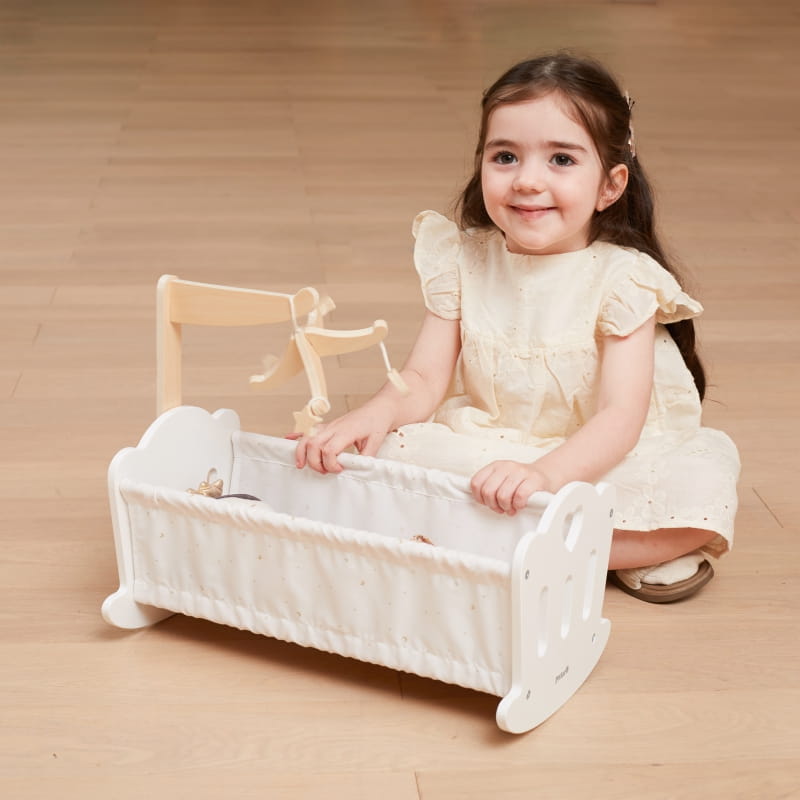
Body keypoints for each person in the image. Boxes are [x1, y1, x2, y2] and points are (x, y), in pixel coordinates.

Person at [294, 53, 740, 603]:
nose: (528, 180)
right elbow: (424, 378)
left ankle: (492, 540)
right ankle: (560, 546)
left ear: (610, 185)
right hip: (487, 443)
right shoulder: (463, 260)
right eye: (505, 157)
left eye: (561, 159)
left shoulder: (624, 281)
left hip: (593, 455)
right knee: (384, 455)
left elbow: (619, 419)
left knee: (699, 485)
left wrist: (545, 477)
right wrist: (374, 414)